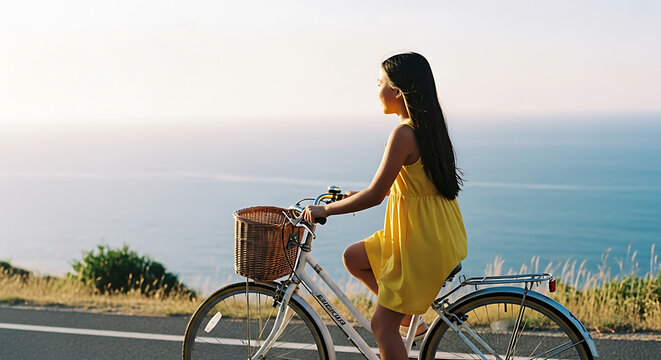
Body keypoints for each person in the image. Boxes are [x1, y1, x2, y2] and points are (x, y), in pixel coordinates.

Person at [302, 52, 467, 360]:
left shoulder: (403, 133)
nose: (376, 89)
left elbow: (377, 195)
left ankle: (397, 324)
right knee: (354, 257)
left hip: (418, 243)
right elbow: (413, 187)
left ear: (397, 91)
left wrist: (326, 211)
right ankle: (407, 321)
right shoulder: (428, 128)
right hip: (436, 234)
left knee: (381, 326)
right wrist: (352, 195)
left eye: (380, 82)